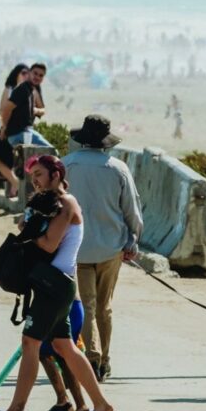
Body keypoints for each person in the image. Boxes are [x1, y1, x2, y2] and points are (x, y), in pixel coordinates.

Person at [0, 153, 118, 411]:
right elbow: (30, 250)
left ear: (56, 174)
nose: (35, 181)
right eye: (32, 176)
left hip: (56, 285)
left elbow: (49, 245)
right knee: (65, 347)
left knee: (30, 343)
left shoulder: (66, 203)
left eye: (39, 174)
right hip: (52, 284)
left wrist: (29, 228)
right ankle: (102, 407)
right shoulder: (48, 205)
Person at [60, 114, 142, 382]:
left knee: (86, 305)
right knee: (105, 306)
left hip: (77, 248)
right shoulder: (118, 169)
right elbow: (132, 210)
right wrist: (132, 241)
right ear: (106, 143)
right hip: (111, 249)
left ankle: (92, 358)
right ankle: (103, 360)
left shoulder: (67, 165)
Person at [0, 63, 48, 199]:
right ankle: (30, 190)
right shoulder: (21, 89)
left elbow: (42, 109)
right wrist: (4, 127)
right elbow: (6, 108)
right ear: (29, 73)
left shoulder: (31, 89)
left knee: (38, 158)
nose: (37, 77)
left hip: (23, 132)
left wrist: (34, 110)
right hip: (18, 133)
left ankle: (28, 187)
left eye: (40, 75)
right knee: (49, 152)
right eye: (35, 73)